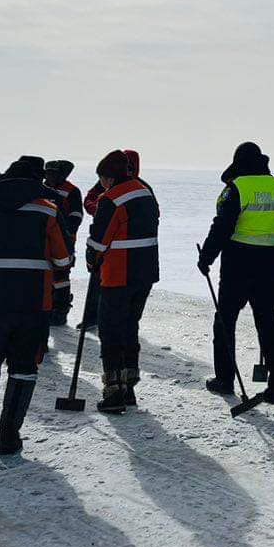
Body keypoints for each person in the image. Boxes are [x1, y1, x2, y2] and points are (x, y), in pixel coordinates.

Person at [0, 158, 72, 455]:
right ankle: (10, 435)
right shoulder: (48, 210)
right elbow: (62, 260)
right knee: (23, 368)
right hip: (33, 306)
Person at [198, 141, 274, 401]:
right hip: (269, 264)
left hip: (238, 265)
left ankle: (225, 379)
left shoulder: (238, 188)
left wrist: (206, 257)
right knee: (268, 325)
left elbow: (222, 226)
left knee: (225, 322)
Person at [84, 151, 160, 413]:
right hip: (146, 271)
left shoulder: (111, 199)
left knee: (110, 329)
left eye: (102, 178)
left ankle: (113, 389)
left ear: (108, 177)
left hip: (119, 272)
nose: (102, 184)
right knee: (130, 326)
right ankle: (129, 386)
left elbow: (99, 240)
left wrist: (91, 257)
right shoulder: (145, 192)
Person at [43, 160, 85, 326]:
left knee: (61, 275)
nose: (50, 176)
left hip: (64, 240)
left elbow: (76, 215)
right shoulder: (40, 188)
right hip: (42, 239)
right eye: (48, 173)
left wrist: (66, 231)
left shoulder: (71, 191)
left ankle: (60, 309)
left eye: (54, 173)